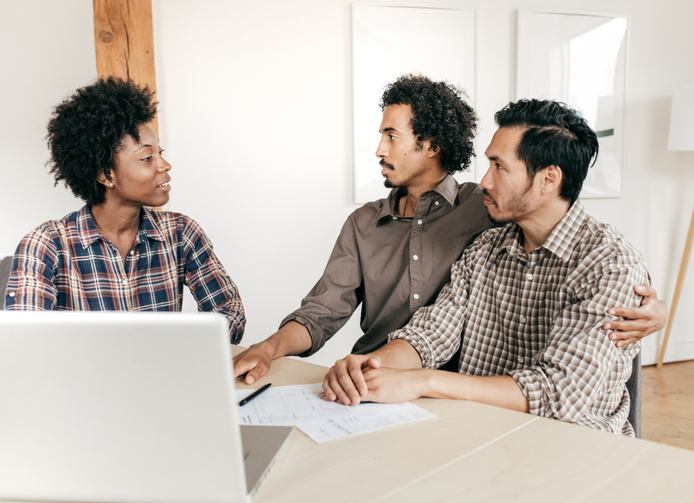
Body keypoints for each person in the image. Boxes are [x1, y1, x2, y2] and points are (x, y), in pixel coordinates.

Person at [234, 75, 666, 384]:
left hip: (461, 388)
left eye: (391, 136)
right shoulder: (370, 224)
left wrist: (645, 299)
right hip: (383, 375)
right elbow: (326, 313)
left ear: (432, 145)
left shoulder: (487, 209)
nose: (380, 150)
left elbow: (557, 218)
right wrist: (270, 348)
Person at [322, 99, 650, 436]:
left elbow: (557, 391)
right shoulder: (485, 248)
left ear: (549, 179)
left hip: (572, 448)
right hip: (478, 434)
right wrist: (371, 365)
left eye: (499, 167)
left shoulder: (611, 264)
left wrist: (421, 381)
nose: (485, 181)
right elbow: (431, 334)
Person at [4, 77, 245, 343]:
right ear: (105, 174)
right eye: (146, 158)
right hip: (85, 382)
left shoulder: (182, 233)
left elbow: (230, 313)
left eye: (160, 152)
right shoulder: (46, 244)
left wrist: (180, 345)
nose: (165, 165)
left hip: (165, 375)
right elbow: (26, 342)